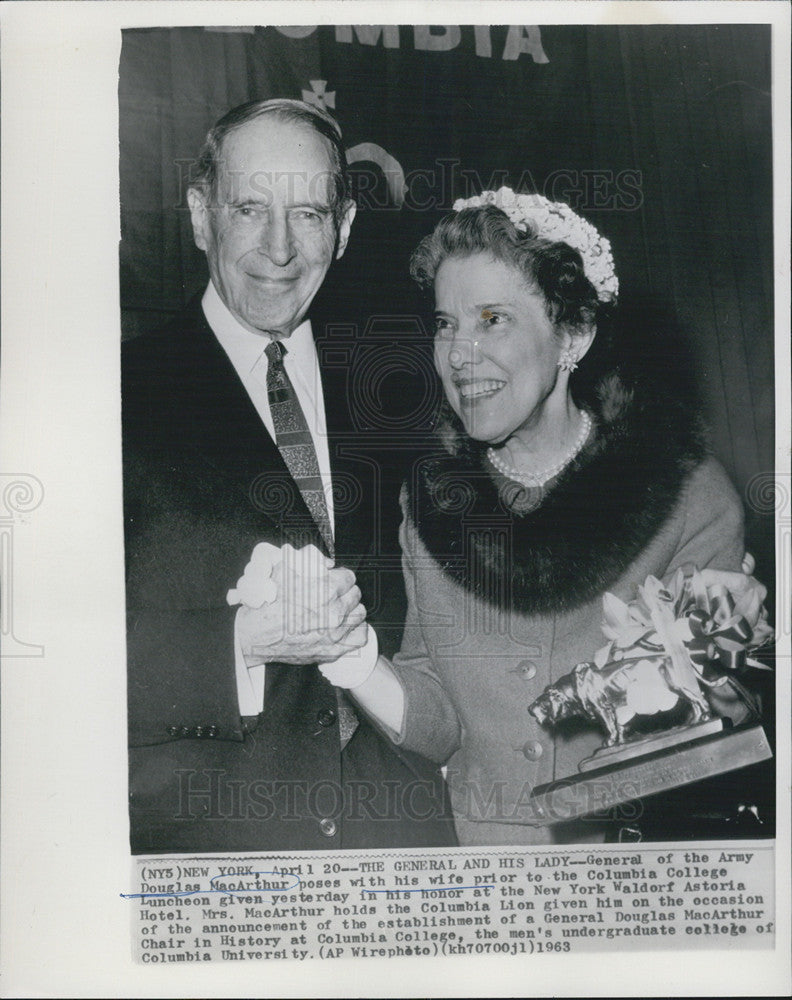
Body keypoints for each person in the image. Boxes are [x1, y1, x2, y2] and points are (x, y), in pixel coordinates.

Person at [344, 189, 764, 846]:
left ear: (573, 336)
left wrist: (699, 658)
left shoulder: (686, 495)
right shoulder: (427, 504)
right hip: (487, 880)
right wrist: (351, 659)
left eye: (493, 320)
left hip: (637, 873)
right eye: (445, 323)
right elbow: (441, 716)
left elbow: (708, 735)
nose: (458, 354)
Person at [122, 98, 456, 853]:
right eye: (250, 208)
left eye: (306, 214)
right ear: (203, 215)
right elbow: (52, 651)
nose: (278, 248)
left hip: (399, 847)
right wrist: (239, 643)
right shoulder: (111, 395)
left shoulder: (404, 392)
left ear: (342, 231)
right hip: (213, 852)